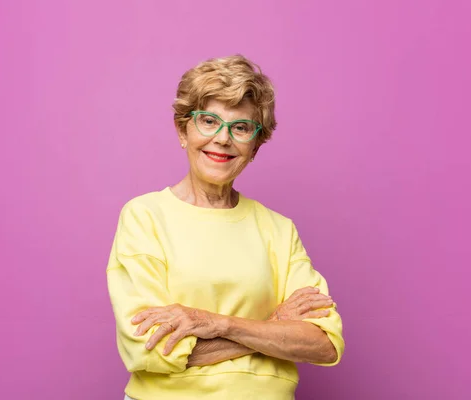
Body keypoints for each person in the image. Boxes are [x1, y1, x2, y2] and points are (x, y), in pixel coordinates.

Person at [106, 55, 344, 400]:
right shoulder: (145, 216)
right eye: (208, 121)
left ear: (255, 146)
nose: (223, 138)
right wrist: (273, 328)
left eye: (241, 127)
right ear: (182, 130)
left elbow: (323, 344)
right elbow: (149, 350)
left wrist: (219, 324)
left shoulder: (278, 229)